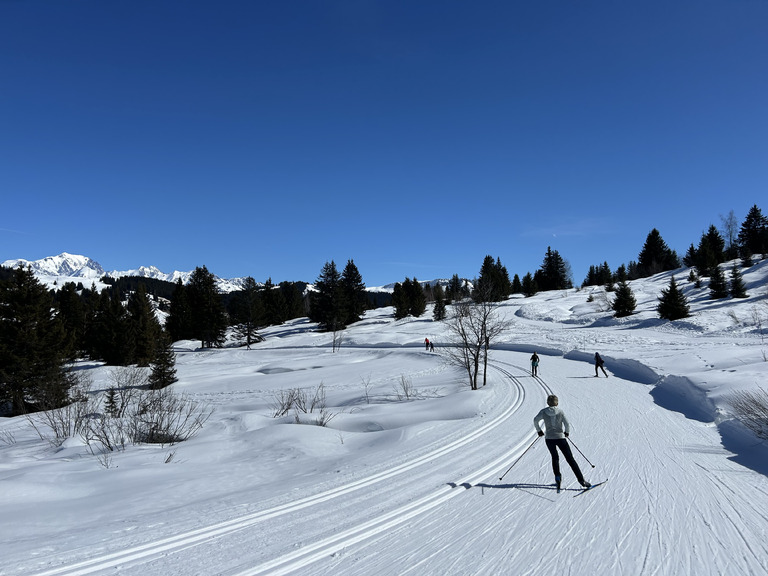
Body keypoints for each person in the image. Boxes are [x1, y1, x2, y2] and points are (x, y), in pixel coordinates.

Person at [533, 395, 590, 491]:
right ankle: (582, 481)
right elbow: (567, 424)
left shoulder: (543, 412)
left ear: (548, 403)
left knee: (555, 458)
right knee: (570, 459)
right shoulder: (560, 411)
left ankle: (558, 478)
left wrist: (539, 430)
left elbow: (535, 420)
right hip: (560, 438)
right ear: (557, 403)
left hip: (549, 439)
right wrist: (567, 432)